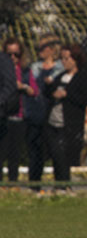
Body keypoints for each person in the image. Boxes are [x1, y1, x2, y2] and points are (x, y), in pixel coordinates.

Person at [44, 43, 87, 184]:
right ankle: (58, 183)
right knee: (55, 153)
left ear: (75, 60)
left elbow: (85, 98)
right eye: (62, 59)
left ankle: (65, 184)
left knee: (64, 155)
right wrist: (48, 86)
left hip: (70, 123)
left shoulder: (82, 77)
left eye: (67, 59)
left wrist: (67, 94)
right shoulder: (60, 77)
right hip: (54, 121)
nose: (64, 62)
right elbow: (49, 94)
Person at [0, 38, 39, 183]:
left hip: (19, 115)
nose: (12, 58)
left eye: (16, 54)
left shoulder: (24, 71)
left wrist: (22, 86)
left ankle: (12, 182)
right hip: (3, 115)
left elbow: (34, 91)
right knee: (1, 151)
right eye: (9, 54)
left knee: (14, 153)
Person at [28, 34, 63, 186]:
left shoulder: (60, 67)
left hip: (53, 112)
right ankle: (35, 183)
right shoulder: (35, 67)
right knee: (35, 150)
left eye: (43, 48)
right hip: (36, 111)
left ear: (51, 49)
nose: (40, 51)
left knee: (55, 150)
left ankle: (60, 183)